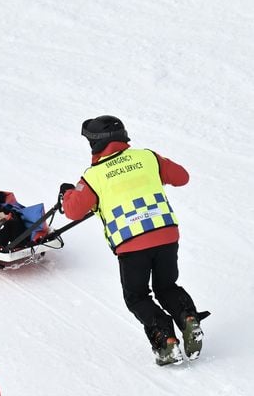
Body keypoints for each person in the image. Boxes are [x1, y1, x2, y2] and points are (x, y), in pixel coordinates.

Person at [59, 115, 208, 366]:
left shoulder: (94, 176)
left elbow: (73, 210)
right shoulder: (147, 157)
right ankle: (187, 318)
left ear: (96, 144)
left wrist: (69, 193)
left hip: (132, 243)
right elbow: (182, 177)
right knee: (166, 286)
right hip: (166, 234)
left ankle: (166, 341)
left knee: (137, 297)